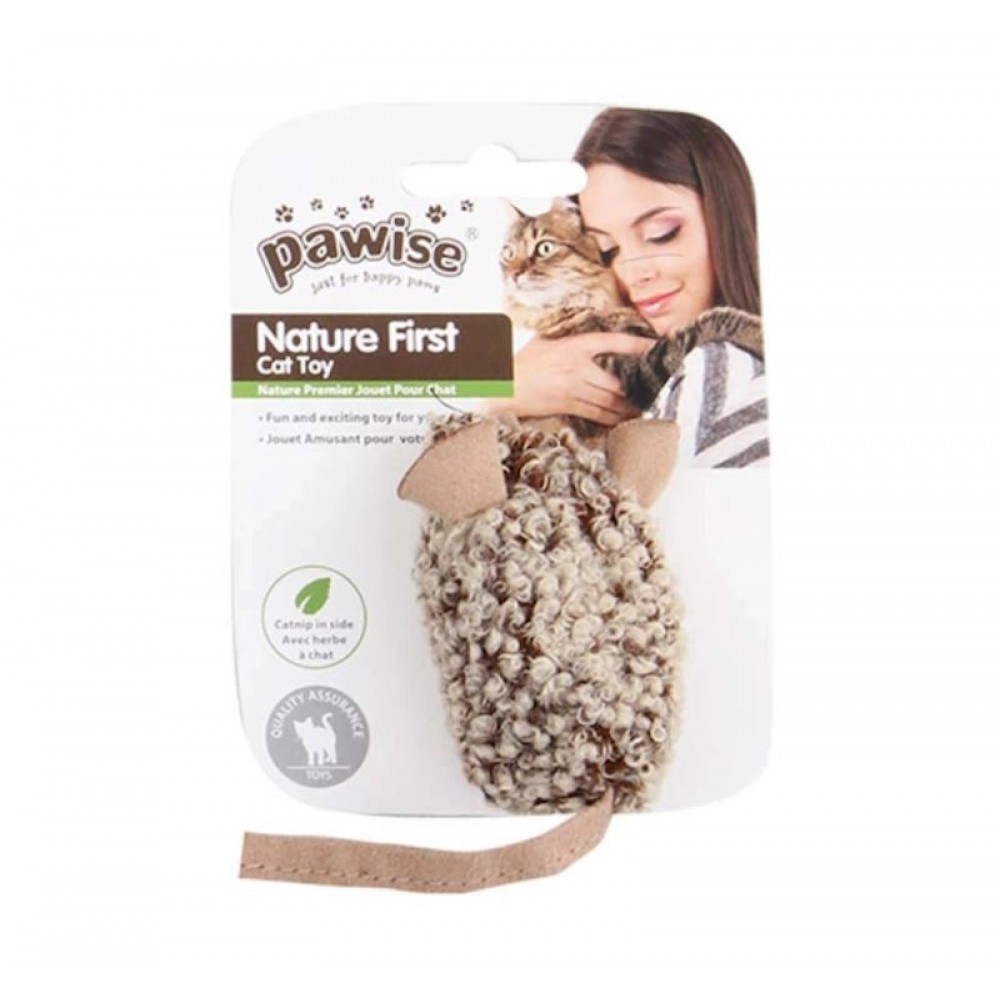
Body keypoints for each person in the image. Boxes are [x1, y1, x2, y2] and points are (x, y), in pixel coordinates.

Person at [490, 108, 768, 468]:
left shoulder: (718, 366)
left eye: (661, 234)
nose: (635, 273)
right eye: (607, 249)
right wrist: (501, 395)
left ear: (725, 213)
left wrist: (498, 395)